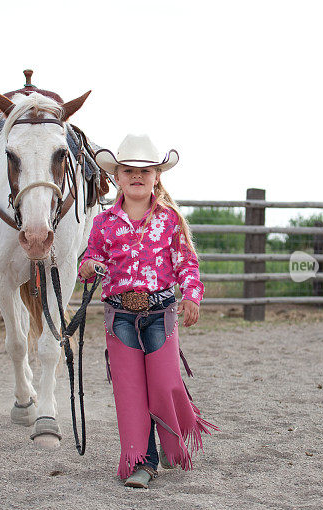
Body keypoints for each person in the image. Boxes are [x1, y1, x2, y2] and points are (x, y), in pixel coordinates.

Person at [79, 133, 217, 489]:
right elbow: (90, 257)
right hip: (120, 315)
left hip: (160, 313)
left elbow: (186, 262)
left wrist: (191, 296)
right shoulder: (104, 223)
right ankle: (143, 461)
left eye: (145, 170)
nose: (137, 176)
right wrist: (90, 265)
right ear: (118, 178)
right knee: (129, 393)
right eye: (128, 170)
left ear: (157, 176)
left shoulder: (170, 221)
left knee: (165, 383)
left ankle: (172, 440)